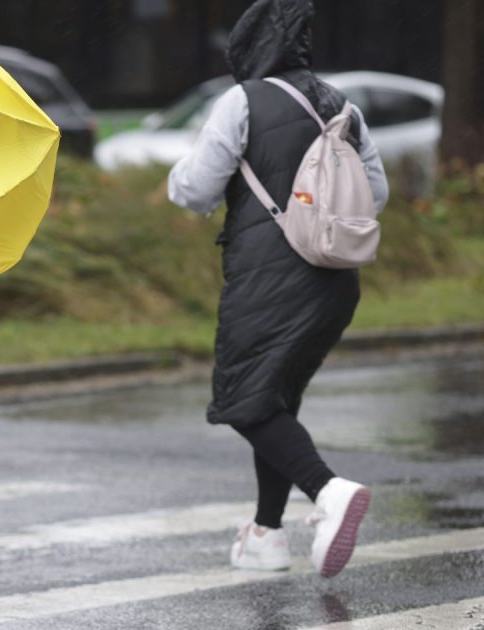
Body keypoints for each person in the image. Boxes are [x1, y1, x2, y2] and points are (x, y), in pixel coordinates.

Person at [167, 0, 388, 579]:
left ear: (248, 48)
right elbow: (376, 195)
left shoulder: (242, 101)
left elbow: (194, 190)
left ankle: (329, 491)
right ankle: (266, 534)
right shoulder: (345, 107)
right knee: (274, 399)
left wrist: (178, 174)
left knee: (243, 397)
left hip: (268, 281)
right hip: (336, 283)